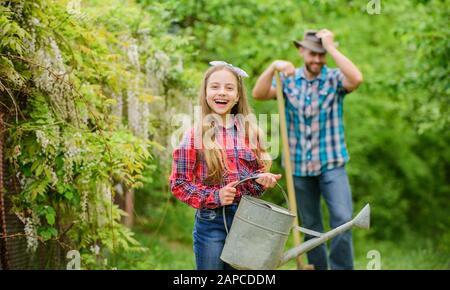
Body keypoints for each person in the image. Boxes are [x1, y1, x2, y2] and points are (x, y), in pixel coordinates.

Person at [252, 29, 363, 270]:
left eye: (322, 55)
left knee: (343, 220)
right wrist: (272, 67)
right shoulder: (288, 80)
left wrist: (332, 47)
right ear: (301, 51)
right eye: (313, 53)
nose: (317, 60)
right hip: (299, 167)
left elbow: (356, 79)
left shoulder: (334, 78)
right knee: (311, 225)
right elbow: (258, 94)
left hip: (332, 164)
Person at [170, 61, 282, 270]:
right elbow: (179, 184)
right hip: (211, 222)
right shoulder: (193, 135)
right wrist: (215, 197)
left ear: (238, 95)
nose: (222, 93)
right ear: (205, 93)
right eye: (215, 87)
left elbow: (253, 186)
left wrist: (261, 181)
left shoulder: (250, 133)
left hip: (246, 220)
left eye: (229, 88)